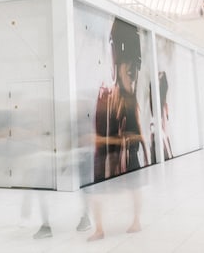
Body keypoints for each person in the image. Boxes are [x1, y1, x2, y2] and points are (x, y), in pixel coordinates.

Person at [89, 18, 148, 241]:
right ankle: (100, 227)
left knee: (132, 188)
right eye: (128, 63)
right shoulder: (106, 96)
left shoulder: (130, 100)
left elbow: (137, 133)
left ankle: (132, 221)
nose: (132, 69)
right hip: (108, 153)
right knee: (100, 190)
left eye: (135, 63)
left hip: (124, 153)